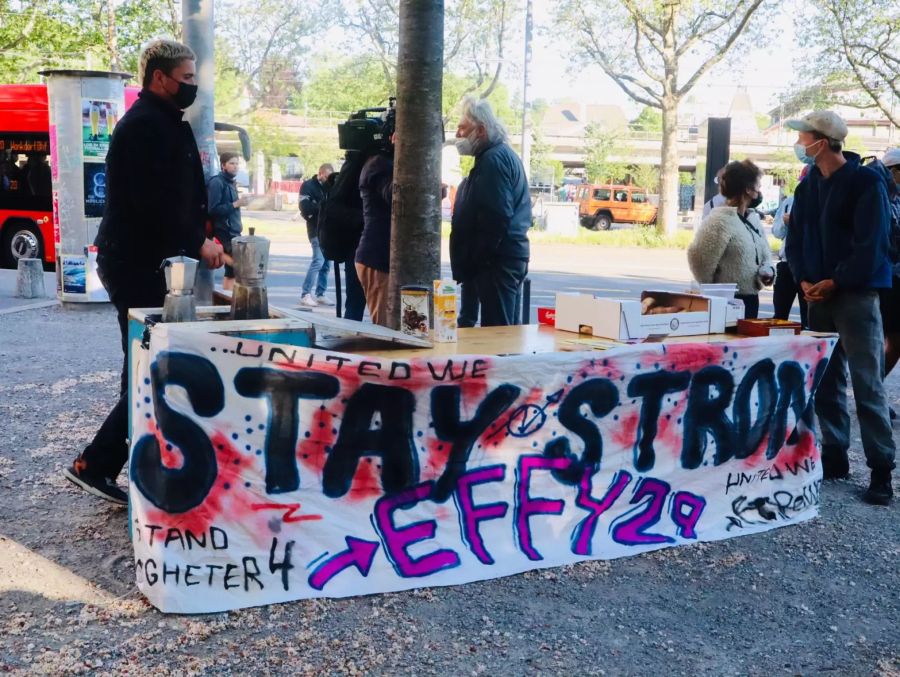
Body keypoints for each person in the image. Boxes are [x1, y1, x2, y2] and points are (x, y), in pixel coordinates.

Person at [63, 39, 224, 504]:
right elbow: (152, 203)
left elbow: (178, 197)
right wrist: (197, 241)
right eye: (187, 78)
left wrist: (203, 234)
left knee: (147, 362)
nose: (193, 86)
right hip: (133, 263)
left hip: (148, 261)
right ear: (160, 78)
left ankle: (116, 460)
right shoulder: (145, 127)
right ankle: (94, 462)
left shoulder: (165, 122)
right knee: (146, 364)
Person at [785, 110, 895, 505]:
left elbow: (873, 243)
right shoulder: (807, 186)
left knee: (867, 382)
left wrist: (838, 280)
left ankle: (881, 469)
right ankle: (835, 455)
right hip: (817, 295)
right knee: (827, 380)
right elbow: (794, 239)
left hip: (856, 294)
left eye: (804, 136)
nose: (799, 143)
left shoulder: (865, 181)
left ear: (824, 140)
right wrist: (802, 279)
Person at [450, 97, 531, 326]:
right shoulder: (495, 156)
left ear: (481, 130)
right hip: (502, 259)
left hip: (498, 263)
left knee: (499, 334)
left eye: (463, 128)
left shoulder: (493, 160)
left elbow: (496, 217)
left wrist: (479, 258)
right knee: (504, 331)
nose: (458, 135)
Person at [687, 159, 774, 319]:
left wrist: (768, 270)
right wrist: (716, 292)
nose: (760, 190)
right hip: (726, 304)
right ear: (748, 189)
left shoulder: (752, 218)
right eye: (758, 185)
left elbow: (766, 254)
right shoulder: (720, 220)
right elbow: (699, 260)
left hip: (751, 300)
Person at [356, 137, 394, 326]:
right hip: (377, 257)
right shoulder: (379, 165)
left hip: (379, 255)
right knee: (384, 326)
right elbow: (395, 195)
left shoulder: (381, 163)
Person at [876, 148, 900, 419]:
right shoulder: (880, 195)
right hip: (889, 279)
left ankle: (872, 391)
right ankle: (870, 393)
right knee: (891, 339)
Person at [772, 166, 810, 328]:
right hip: (787, 264)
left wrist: (798, 223)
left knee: (808, 317)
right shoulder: (789, 201)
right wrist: (785, 223)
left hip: (808, 267)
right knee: (779, 316)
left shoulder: (822, 202)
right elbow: (777, 233)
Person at [207, 151, 247, 291]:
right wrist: (235, 204)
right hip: (224, 232)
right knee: (239, 268)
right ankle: (230, 302)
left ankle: (228, 302)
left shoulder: (230, 182)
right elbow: (212, 209)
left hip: (234, 231)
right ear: (223, 165)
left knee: (232, 273)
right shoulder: (217, 182)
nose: (235, 167)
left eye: (237, 164)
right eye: (232, 163)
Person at [299, 163, 335, 307]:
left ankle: (321, 293)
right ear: (320, 174)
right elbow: (305, 207)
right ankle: (305, 293)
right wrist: (322, 208)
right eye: (326, 177)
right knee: (318, 261)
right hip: (315, 229)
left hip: (328, 230)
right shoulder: (308, 186)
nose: (327, 180)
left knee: (327, 263)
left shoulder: (331, 187)